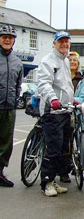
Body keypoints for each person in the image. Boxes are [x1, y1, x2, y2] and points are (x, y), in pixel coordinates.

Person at [37, 31, 74, 196]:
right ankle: (47, 182)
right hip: (52, 112)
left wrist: (73, 101)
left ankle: (55, 180)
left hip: (65, 110)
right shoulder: (48, 61)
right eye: (61, 42)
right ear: (54, 43)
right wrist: (52, 99)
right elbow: (44, 83)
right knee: (53, 149)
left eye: (67, 42)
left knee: (63, 148)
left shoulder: (65, 60)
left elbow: (65, 86)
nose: (64, 44)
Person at [59, 51, 84, 183]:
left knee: (78, 142)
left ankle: (80, 167)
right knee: (64, 144)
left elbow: (83, 98)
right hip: (61, 113)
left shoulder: (82, 80)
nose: (72, 62)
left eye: (74, 60)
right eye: (70, 60)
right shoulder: (61, 75)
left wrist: (69, 100)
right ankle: (63, 171)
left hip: (75, 115)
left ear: (78, 64)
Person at [0, 24, 23, 187]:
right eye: (4, 37)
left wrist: (15, 100)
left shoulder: (17, 62)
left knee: (6, 144)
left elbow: (18, 84)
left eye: (10, 38)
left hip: (9, 107)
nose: (7, 40)